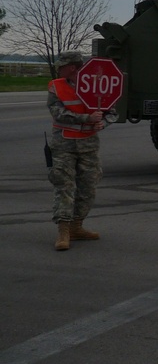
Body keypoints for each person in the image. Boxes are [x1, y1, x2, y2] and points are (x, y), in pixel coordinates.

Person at [48, 51, 108, 251]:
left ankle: (77, 226)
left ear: (72, 67)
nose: (59, 68)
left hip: (89, 145)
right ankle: (63, 231)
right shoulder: (56, 86)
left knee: (88, 188)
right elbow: (58, 113)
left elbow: (111, 111)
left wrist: (103, 122)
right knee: (64, 187)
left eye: (62, 65)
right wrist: (86, 119)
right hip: (64, 145)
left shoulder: (96, 85)